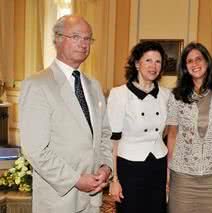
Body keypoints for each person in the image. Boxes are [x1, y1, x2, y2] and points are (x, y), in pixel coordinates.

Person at [19, 15, 113, 213]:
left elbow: (104, 134)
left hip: (92, 199)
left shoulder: (94, 86)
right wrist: (76, 180)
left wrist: (106, 167)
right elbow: (35, 149)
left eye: (88, 38)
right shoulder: (38, 84)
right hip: (59, 200)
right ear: (58, 39)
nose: (83, 44)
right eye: (76, 36)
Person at [166, 42, 212, 213]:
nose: (195, 64)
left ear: (207, 62)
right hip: (182, 176)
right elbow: (172, 135)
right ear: (184, 67)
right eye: (190, 61)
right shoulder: (176, 97)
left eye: (199, 59)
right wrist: (168, 170)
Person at [107, 41, 170, 213]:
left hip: (158, 165)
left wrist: (168, 178)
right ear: (136, 63)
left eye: (158, 61)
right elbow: (113, 141)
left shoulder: (167, 95)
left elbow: (167, 136)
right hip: (129, 167)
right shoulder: (119, 94)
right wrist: (114, 180)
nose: (153, 66)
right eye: (148, 60)